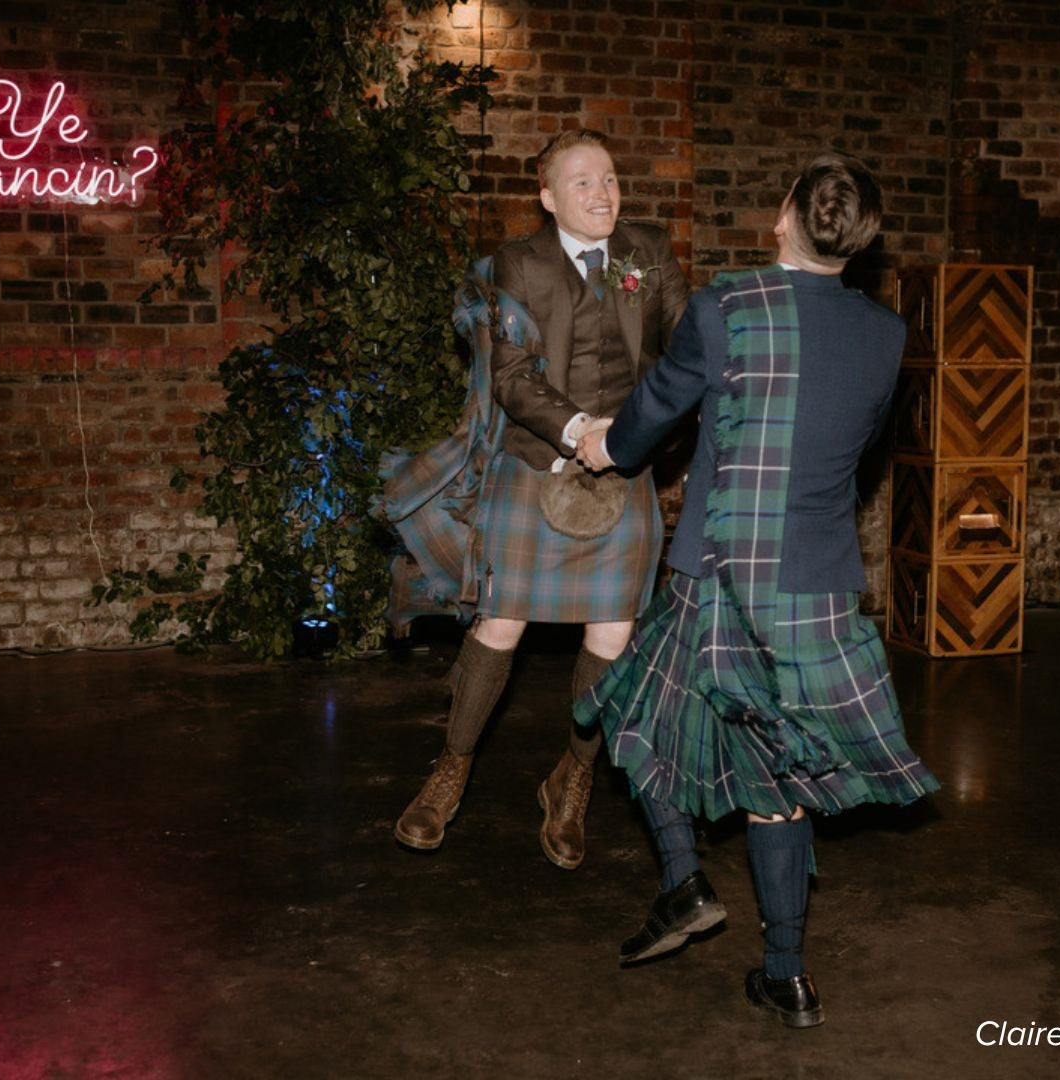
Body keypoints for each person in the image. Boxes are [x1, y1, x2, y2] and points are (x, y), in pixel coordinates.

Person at [573, 152, 939, 1028]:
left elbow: (652, 415)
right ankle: (786, 975)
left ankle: (683, 884)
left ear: (783, 214)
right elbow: (847, 451)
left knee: (626, 711)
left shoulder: (727, 306)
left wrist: (603, 447)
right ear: (860, 242)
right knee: (782, 774)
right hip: (814, 586)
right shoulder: (888, 334)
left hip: (718, 574)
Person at [394, 129, 689, 870]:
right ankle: (451, 768)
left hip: (628, 473)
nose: (603, 194)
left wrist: (648, 434)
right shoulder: (515, 266)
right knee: (499, 624)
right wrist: (579, 428)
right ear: (548, 197)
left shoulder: (646, 252)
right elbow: (512, 373)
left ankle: (572, 777)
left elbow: (687, 351)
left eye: (611, 178)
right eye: (584, 182)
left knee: (612, 639)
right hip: (535, 462)